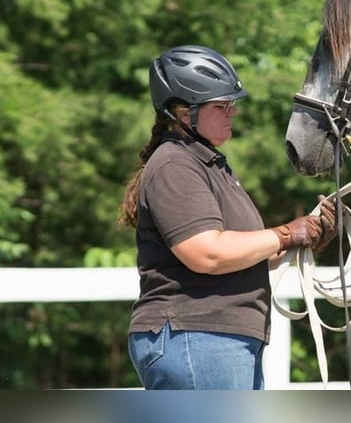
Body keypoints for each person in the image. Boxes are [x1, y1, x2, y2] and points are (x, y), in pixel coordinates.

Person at [119, 45, 335, 390]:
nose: (232, 113)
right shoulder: (176, 164)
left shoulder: (208, 165)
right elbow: (207, 253)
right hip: (198, 335)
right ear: (183, 112)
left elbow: (243, 255)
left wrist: (309, 237)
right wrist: (285, 234)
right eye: (222, 106)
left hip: (215, 337)